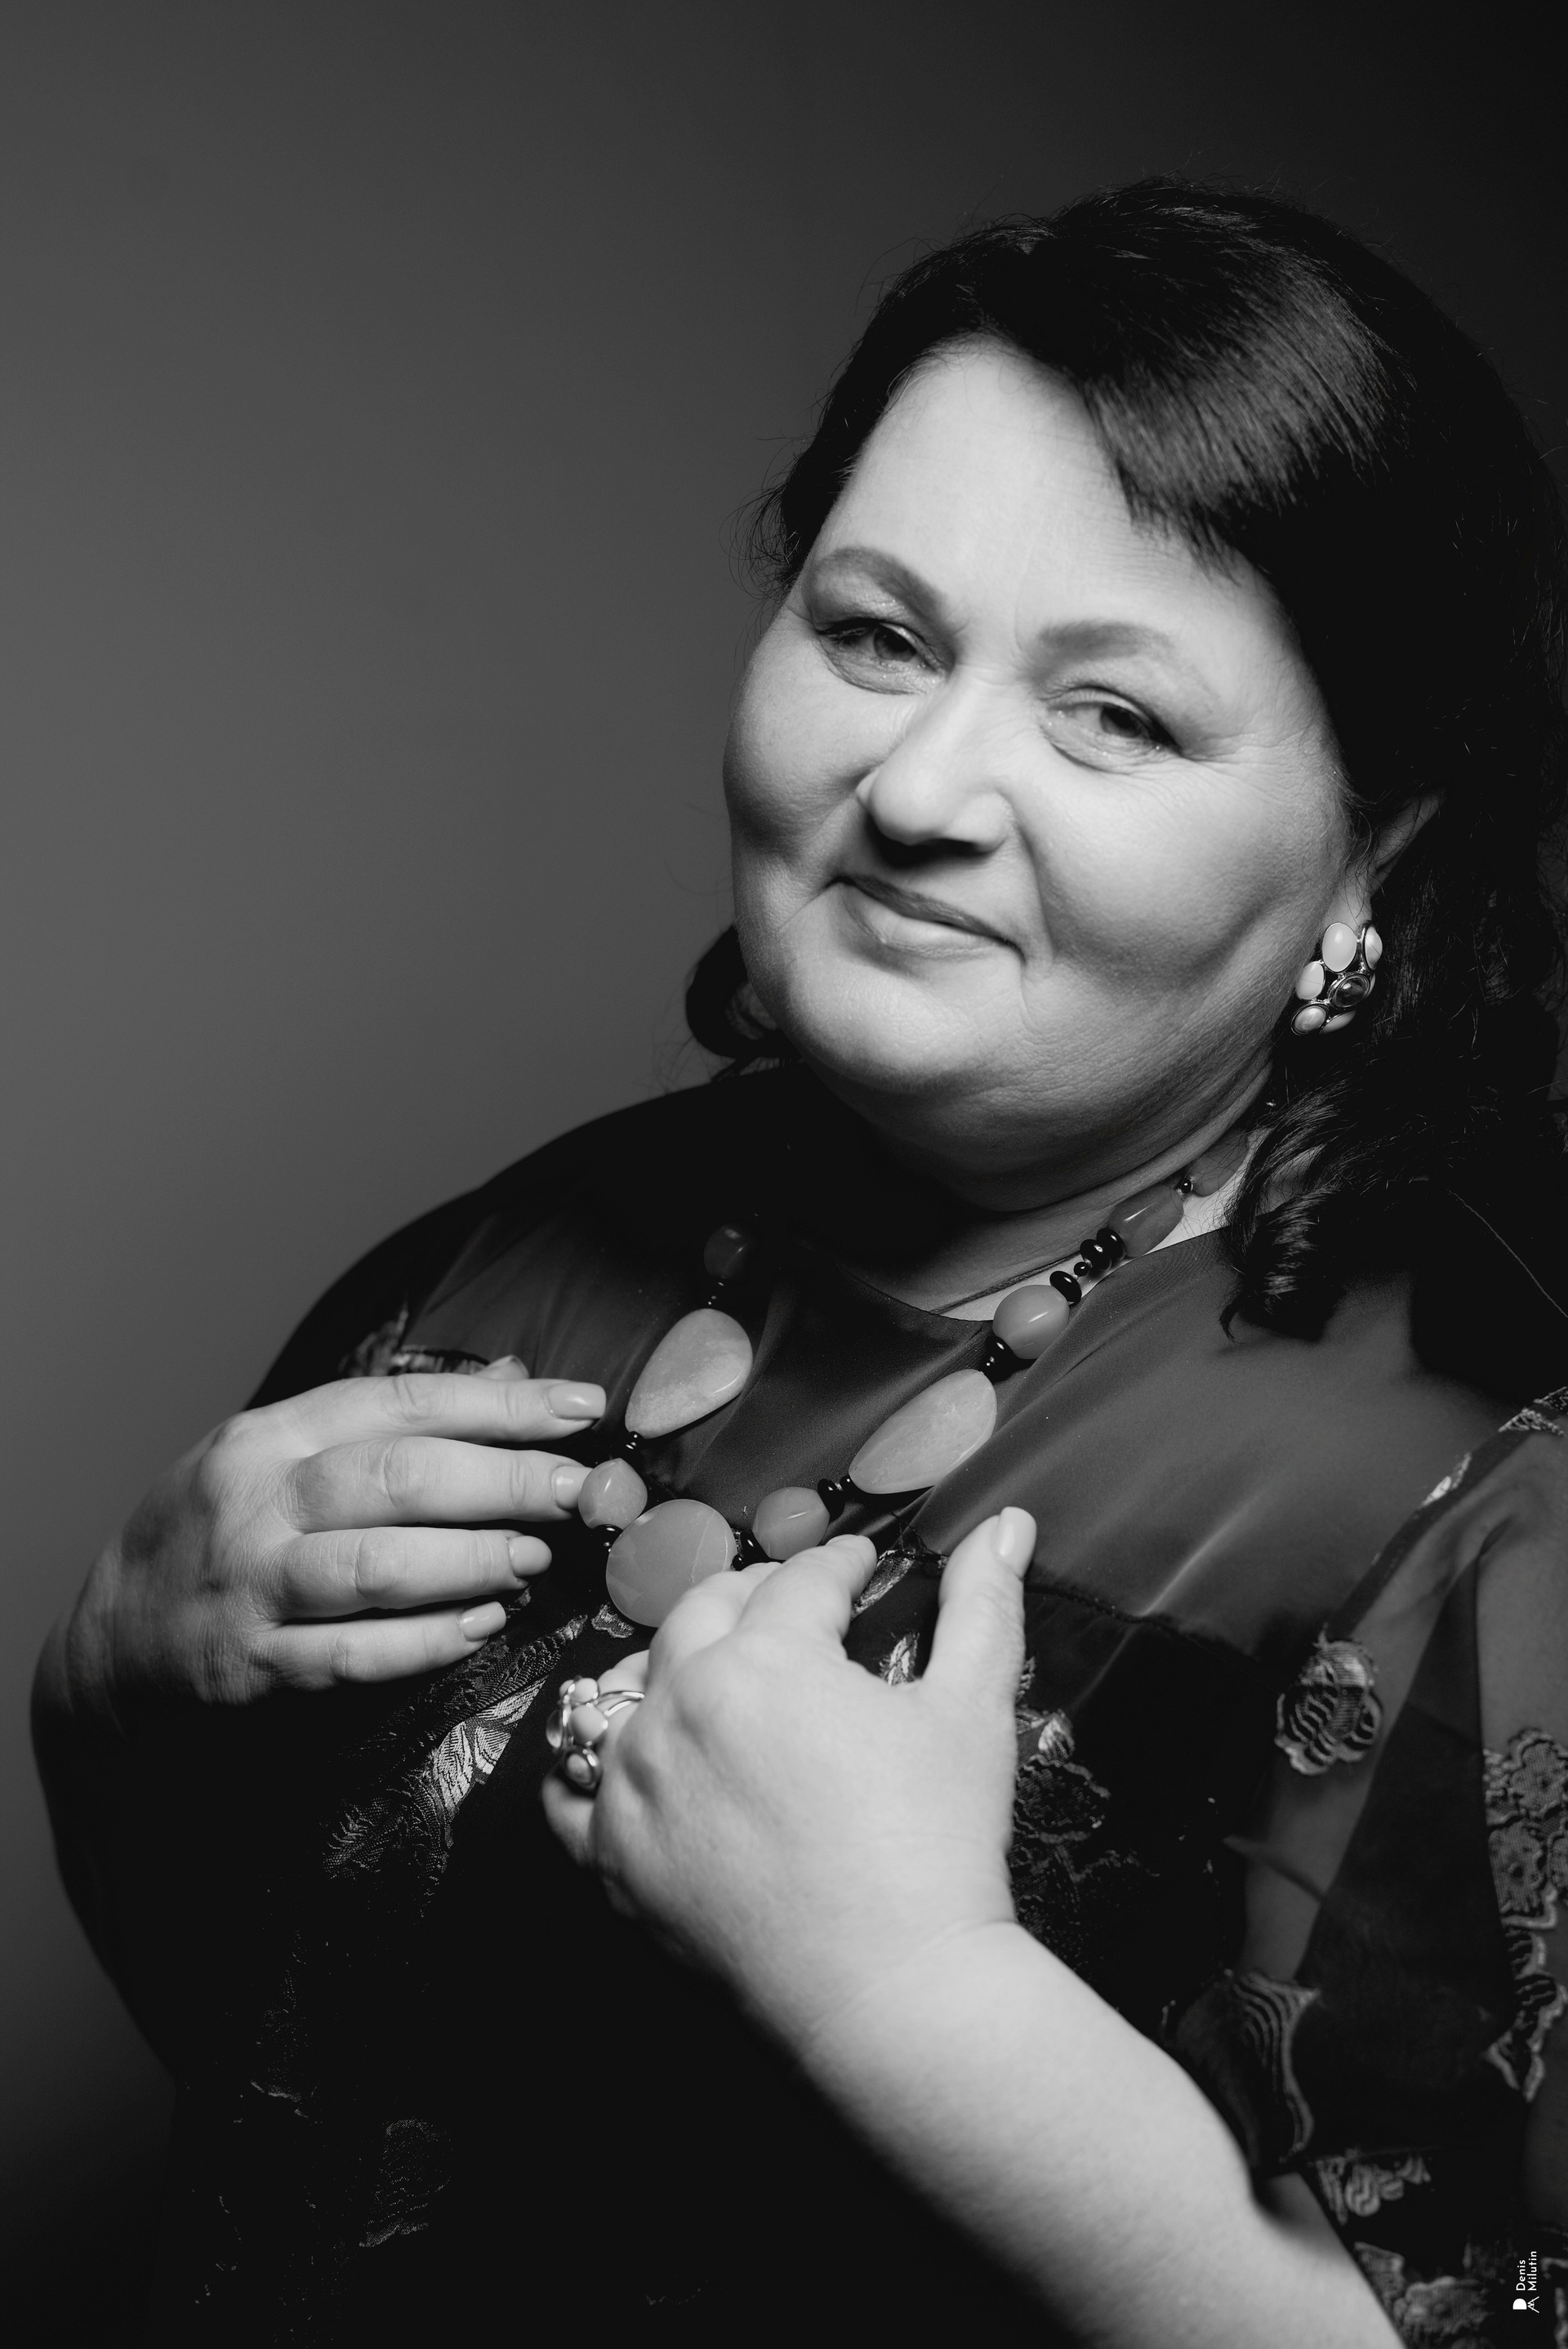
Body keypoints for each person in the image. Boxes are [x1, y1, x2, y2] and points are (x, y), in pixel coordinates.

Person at [33, 180, 1568, 2347]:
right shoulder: (500, 1261)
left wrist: (906, 1991)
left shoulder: (1486, 1495)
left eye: (1115, 714)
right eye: (878, 636)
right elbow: (270, 2059)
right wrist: (111, 1685)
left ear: (1370, 854)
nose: (920, 787)